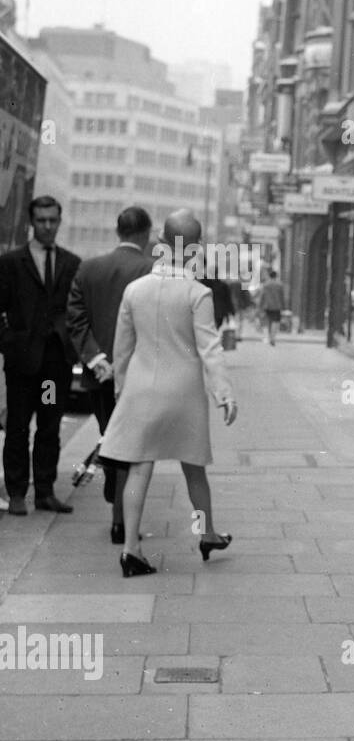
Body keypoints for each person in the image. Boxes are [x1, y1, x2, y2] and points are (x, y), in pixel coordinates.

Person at [99, 211, 237, 577]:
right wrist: (224, 393)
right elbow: (210, 348)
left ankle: (131, 550)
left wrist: (120, 391)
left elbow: (121, 350)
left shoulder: (135, 290)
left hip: (141, 391)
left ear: (160, 242)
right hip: (184, 395)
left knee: (138, 469)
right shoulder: (198, 292)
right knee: (194, 470)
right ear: (196, 247)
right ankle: (207, 534)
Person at [66, 205, 153, 543]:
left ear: (118, 232)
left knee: (111, 436)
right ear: (145, 234)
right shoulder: (152, 269)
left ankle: (116, 507)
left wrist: (97, 358)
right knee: (133, 449)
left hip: (100, 375)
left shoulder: (89, 269)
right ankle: (121, 521)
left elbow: (75, 319)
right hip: (139, 375)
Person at [0, 195, 81, 515]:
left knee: (49, 425)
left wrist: (70, 347)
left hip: (53, 366)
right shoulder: (10, 263)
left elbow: (76, 310)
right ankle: (18, 492)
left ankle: (44, 491)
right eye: (41, 220)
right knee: (18, 426)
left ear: (60, 222)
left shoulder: (70, 263)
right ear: (31, 223)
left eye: (52, 220)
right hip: (22, 363)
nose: (47, 226)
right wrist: (7, 342)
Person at [257, 269, 286, 346]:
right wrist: (283, 306)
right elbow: (282, 297)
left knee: (268, 321)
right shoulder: (280, 285)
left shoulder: (266, 285)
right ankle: (273, 338)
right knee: (275, 322)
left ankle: (269, 337)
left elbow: (262, 296)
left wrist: (260, 306)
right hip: (277, 306)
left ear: (269, 276)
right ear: (276, 276)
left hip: (267, 306)